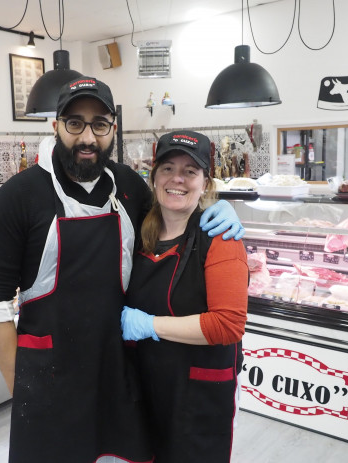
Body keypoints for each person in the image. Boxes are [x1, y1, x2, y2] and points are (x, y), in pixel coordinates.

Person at [0, 77, 245, 463]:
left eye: (99, 124)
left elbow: (175, 203)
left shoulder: (129, 187)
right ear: (56, 127)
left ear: (112, 130)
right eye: (75, 123)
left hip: (119, 372)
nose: (88, 137)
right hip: (48, 377)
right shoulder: (15, 200)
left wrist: (218, 209)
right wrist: (21, 389)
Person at [121, 130, 249, 463]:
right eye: (167, 168)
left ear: (205, 183)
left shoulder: (220, 238)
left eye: (190, 171)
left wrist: (150, 325)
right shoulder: (137, 231)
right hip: (145, 385)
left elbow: (228, 324)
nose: (177, 178)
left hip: (197, 397)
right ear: (153, 176)